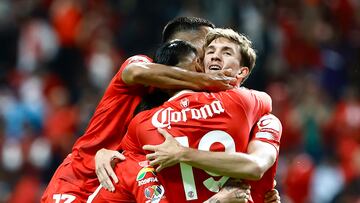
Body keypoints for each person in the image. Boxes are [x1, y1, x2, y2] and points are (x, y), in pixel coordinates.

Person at [41, 17, 236, 203]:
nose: (213, 55)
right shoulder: (142, 67)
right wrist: (207, 81)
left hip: (131, 185)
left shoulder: (196, 102)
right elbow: (135, 71)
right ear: (181, 45)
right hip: (82, 181)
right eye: (208, 45)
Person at [91, 28, 281, 203]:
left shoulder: (144, 122)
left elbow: (127, 163)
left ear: (242, 71)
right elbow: (256, 168)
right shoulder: (253, 103)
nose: (215, 56)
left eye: (226, 52)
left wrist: (103, 153)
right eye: (211, 51)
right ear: (200, 65)